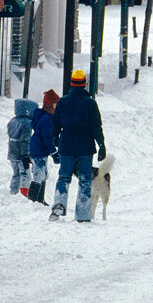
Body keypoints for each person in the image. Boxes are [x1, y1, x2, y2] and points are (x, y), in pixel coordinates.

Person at [51, 68, 106, 222]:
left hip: (66, 144)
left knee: (63, 177)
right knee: (84, 179)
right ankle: (82, 214)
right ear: (84, 84)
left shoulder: (62, 102)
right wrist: (101, 144)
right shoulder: (90, 103)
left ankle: (58, 206)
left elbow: (55, 124)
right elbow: (96, 126)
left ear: (71, 84)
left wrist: (55, 138)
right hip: (85, 146)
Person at [26, 89, 59, 204]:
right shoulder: (46, 119)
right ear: (49, 106)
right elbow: (47, 139)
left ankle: (40, 199)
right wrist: (54, 153)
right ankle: (33, 200)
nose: (57, 109)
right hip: (39, 150)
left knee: (44, 174)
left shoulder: (47, 117)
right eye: (55, 105)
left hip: (40, 150)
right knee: (38, 175)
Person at [5, 98, 37, 196]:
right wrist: (25, 155)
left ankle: (13, 192)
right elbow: (25, 141)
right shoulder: (27, 123)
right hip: (21, 153)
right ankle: (24, 194)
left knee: (16, 174)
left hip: (12, 152)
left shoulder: (12, 121)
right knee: (25, 174)